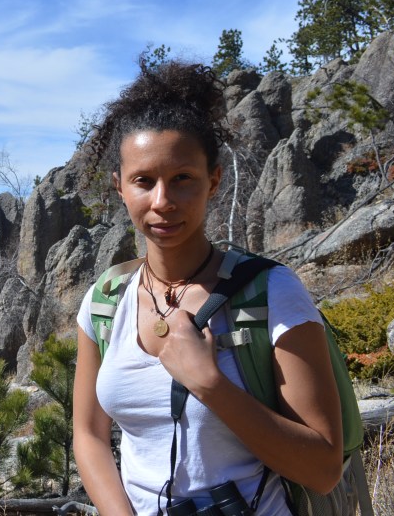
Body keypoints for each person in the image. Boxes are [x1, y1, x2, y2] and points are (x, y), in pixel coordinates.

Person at [72, 61, 343, 515]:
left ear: (213, 181)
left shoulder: (271, 292)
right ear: (120, 187)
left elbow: (323, 469)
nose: (162, 202)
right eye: (144, 181)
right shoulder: (105, 300)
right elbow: (89, 434)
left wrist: (209, 383)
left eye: (182, 179)